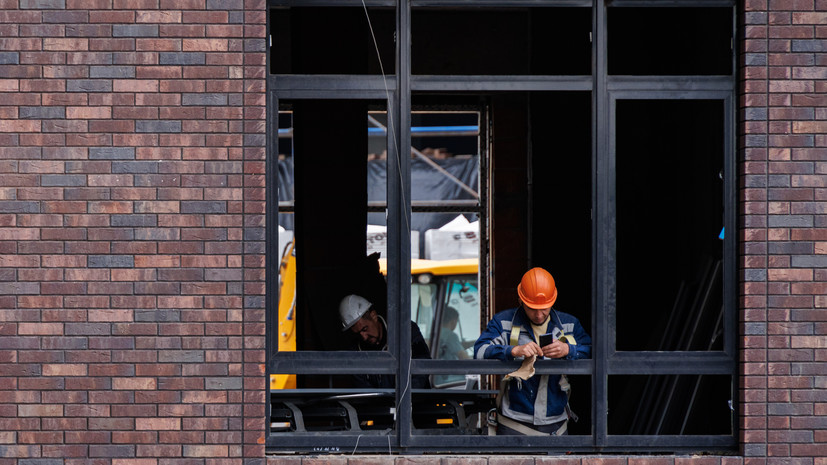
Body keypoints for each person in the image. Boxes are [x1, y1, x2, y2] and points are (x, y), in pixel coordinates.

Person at [474, 267, 591, 435]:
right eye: (531, 307)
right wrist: (512, 350)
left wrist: (568, 349)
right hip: (513, 422)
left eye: (544, 308)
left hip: (556, 424)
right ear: (521, 300)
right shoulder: (503, 322)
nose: (538, 315)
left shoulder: (569, 325)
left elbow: (595, 352)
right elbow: (479, 352)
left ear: (553, 300)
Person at [339, 294, 431, 389]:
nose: (364, 337)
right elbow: (364, 390)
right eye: (358, 334)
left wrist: (404, 397)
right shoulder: (355, 351)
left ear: (373, 316)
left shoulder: (405, 330)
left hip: (416, 401)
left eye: (365, 329)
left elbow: (422, 366)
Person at [434, 306, 470, 386]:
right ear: (454, 321)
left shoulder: (437, 333)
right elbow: (463, 358)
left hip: (438, 377)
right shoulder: (450, 335)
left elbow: (457, 345)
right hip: (447, 379)